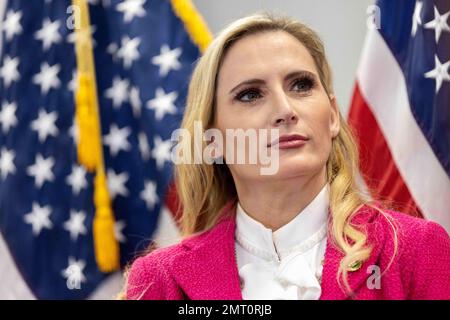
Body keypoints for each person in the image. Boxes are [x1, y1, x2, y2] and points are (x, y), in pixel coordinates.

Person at [123, 13, 450, 300]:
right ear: (212, 141)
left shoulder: (418, 252)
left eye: (301, 85)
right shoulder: (159, 279)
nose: (285, 110)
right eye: (250, 94)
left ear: (333, 115)